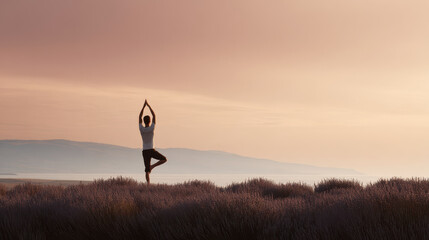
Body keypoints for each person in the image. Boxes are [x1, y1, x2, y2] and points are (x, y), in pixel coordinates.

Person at [139, 99, 167, 185]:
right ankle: (152, 167)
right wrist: (149, 106)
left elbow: (139, 116)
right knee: (164, 159)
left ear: (144, 121)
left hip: (145, 151)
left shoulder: (141, 129)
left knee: (147, 170)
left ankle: (148, 185)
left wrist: (143, 107)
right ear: (150, 121)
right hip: (151, 150)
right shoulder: (151, 128)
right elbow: (154, 115)